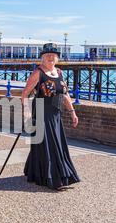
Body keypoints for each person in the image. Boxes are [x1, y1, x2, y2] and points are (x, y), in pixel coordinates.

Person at [22, 43, 80, 191]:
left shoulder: (59, 73)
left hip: (55, 113)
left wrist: (72, 111)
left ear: (57, 58)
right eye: (47, 55)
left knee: (53, 144)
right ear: (42, 58)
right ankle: (53, 179)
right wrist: (27, 111)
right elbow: (25, 94)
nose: (51, 57)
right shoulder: (38, 73)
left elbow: (65, 94)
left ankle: (36, 172)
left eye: (53, 55)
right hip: (41, 112)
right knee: (50, 146)